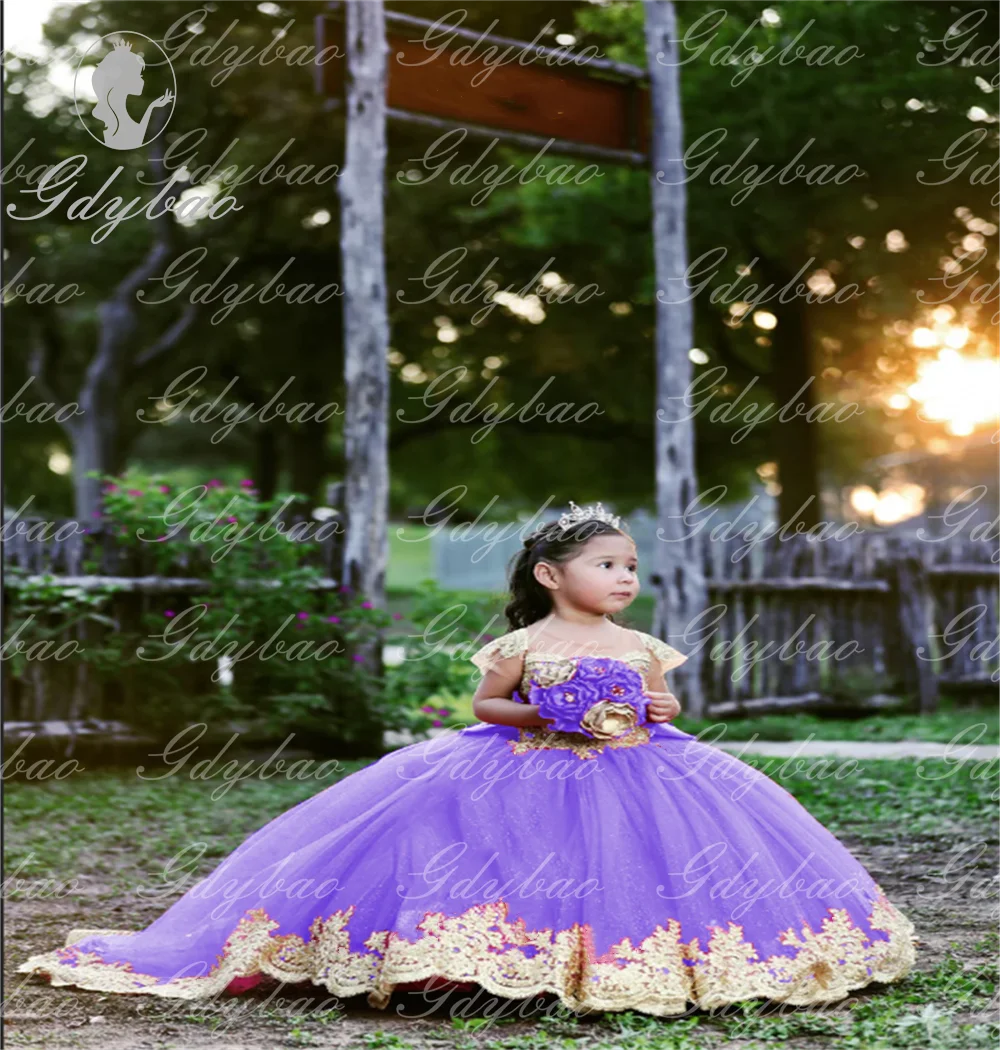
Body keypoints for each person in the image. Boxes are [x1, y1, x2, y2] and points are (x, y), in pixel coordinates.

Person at [17, 501, 918, 1016]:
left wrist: (655, 705)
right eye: (607, 566)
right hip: (522, 759)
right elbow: (484, 707)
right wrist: (538, 709)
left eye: (631, 566)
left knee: (643, 863)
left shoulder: (644, 643)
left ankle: (638, 959)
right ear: (551, 576)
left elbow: (667, 706)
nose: (625, 579)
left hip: (641, 768)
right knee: (488, 845)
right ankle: (464, 960)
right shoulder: (522, 640)